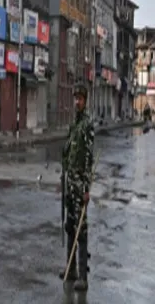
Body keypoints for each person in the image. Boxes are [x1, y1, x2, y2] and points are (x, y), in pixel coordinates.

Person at [60, 83, 94, 291]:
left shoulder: (87, 125)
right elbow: (69, 152)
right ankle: (70, 268)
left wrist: (87, 188)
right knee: (70, 225)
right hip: (70, 183)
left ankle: (83, 276)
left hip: (80, 185)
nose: (77, 102)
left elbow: (88, 158)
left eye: (80, 99)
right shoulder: (74, 125)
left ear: (85, 101)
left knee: (81, 229)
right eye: (75, 98)